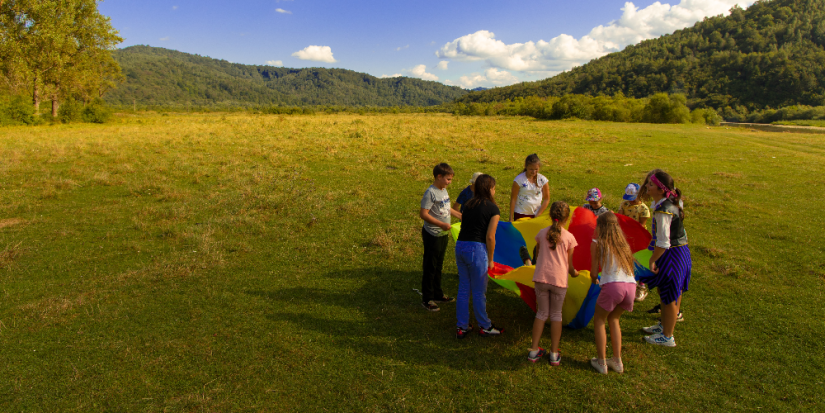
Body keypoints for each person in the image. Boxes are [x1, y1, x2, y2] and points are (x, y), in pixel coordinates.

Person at [638, 171, 691, 347]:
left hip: (671, 254)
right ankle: (665, 324)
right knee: (671, 291)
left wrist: (652, 259)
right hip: (680, 251)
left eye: (651, 185)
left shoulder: (663, 210)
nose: (647, 186)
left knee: (669, 294)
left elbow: (663, 241)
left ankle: (667, 336)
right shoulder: (672, 201)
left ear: (661, 190)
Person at [527, 201, 578, 365]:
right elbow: (570, 266)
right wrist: (576, 273)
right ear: (567, 217)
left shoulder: (542, 234)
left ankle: (534, 350)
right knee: (556, 315)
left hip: (541, 278)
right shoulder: (569, 237)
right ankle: (554, 353)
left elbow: (539, 254)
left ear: (550, 215)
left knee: (541, 313)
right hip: (559, 281)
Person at [454, 174, 503, 338]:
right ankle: (485, 325)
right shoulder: (493, 209)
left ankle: (462, 326)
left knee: (463, 288)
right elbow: (490, 236)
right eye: (494, 187)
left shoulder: (468, 205)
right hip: (477, 250)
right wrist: (490, 259)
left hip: (460, 246)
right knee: (478, 291)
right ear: (489, 189)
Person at [589, 212, 637, 374]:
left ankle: (601, 362)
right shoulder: (623, 245)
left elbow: (594, 272)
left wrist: (593, 280)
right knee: (614, 319)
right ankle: (617, 361)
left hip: (613, 287)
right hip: (630, 287)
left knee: (600, 320)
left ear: (600, 227)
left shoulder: (598, 243)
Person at [419, 163, 462, 312]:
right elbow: (423, 214)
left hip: (443, 234)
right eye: (448, 179)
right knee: (430, 266)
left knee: (438, 266)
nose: (450, 182)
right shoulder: (430, 193)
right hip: (433, 234)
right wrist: (440, 224)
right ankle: (427, 299)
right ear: (439, 176)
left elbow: (446, 208)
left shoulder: (443, 191)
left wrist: (460, 216)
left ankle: (438, 294)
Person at [618, 183, 651, 302]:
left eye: (633, 199)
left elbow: (641, 225)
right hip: (625, 236)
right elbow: (620, 217)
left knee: (639, 260)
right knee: (626, 259)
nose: (630, 202)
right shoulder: (624, 204)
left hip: (638, 237)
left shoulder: (644, 209)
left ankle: (641, 286)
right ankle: (628, 283)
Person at [509, 154, 549, 222]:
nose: (534, 172)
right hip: (521, 214)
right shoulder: (519, 180)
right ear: (526, 166)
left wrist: (539, 214)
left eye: (536, 169)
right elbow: (513, 199)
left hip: (536, 215)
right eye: (531, 169)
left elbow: (547, 199)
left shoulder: (543, 180)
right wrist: (511, 218)